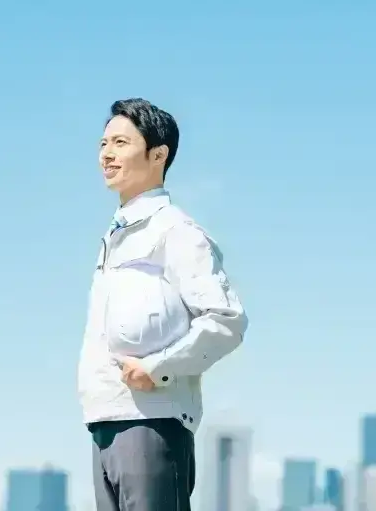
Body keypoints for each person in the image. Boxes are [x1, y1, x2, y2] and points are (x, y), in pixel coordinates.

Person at [77, 97, 248, 510]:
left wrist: (157, 369)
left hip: (152, 422)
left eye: (121, 143)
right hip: (105, 420)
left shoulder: (176, 231)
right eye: (103, 144)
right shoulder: (116, 235)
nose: (106, 154)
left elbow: (226, 320)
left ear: (158, 155)